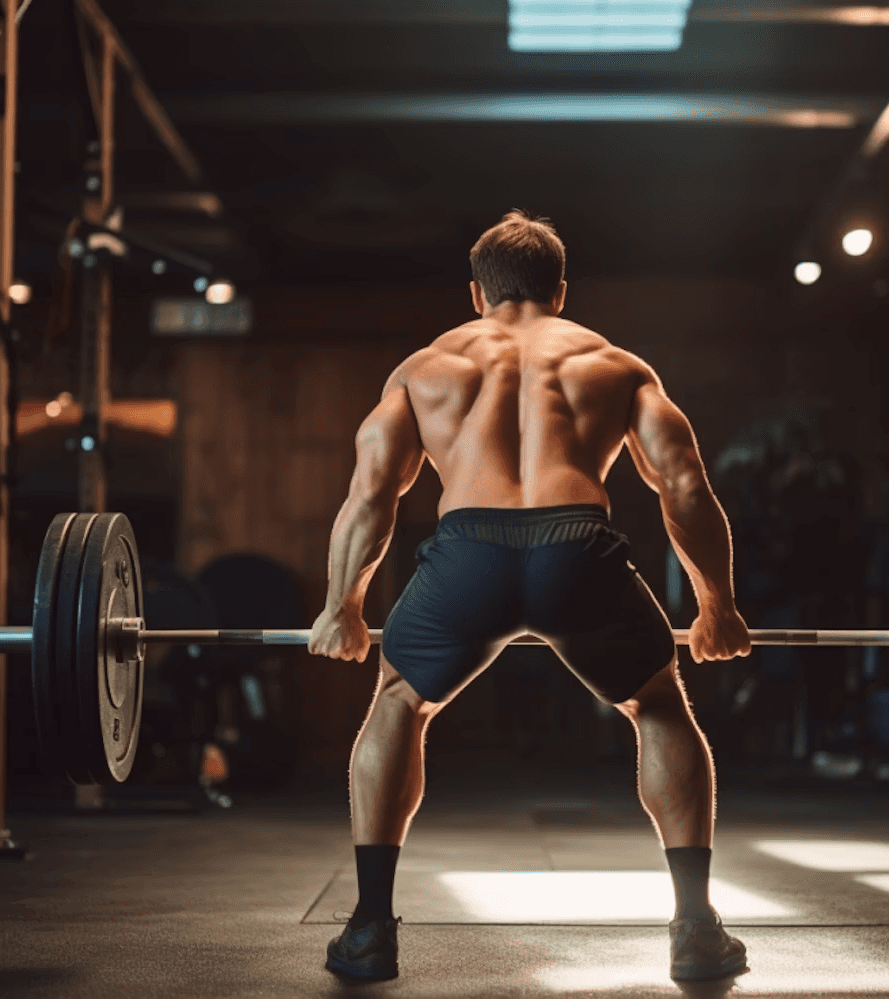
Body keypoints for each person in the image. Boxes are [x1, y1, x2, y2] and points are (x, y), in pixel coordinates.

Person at [308, 210, 752, 983]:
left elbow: (371, 495)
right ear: (562, 290)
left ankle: (370, 927)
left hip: (467, 556)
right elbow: (682, 484)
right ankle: (695, 927)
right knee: (659, 700)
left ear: (476, 293)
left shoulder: (425, 368)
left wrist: (340, 605)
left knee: (397, 700)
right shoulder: (613, 363)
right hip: (578, 549)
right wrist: (719, 605)